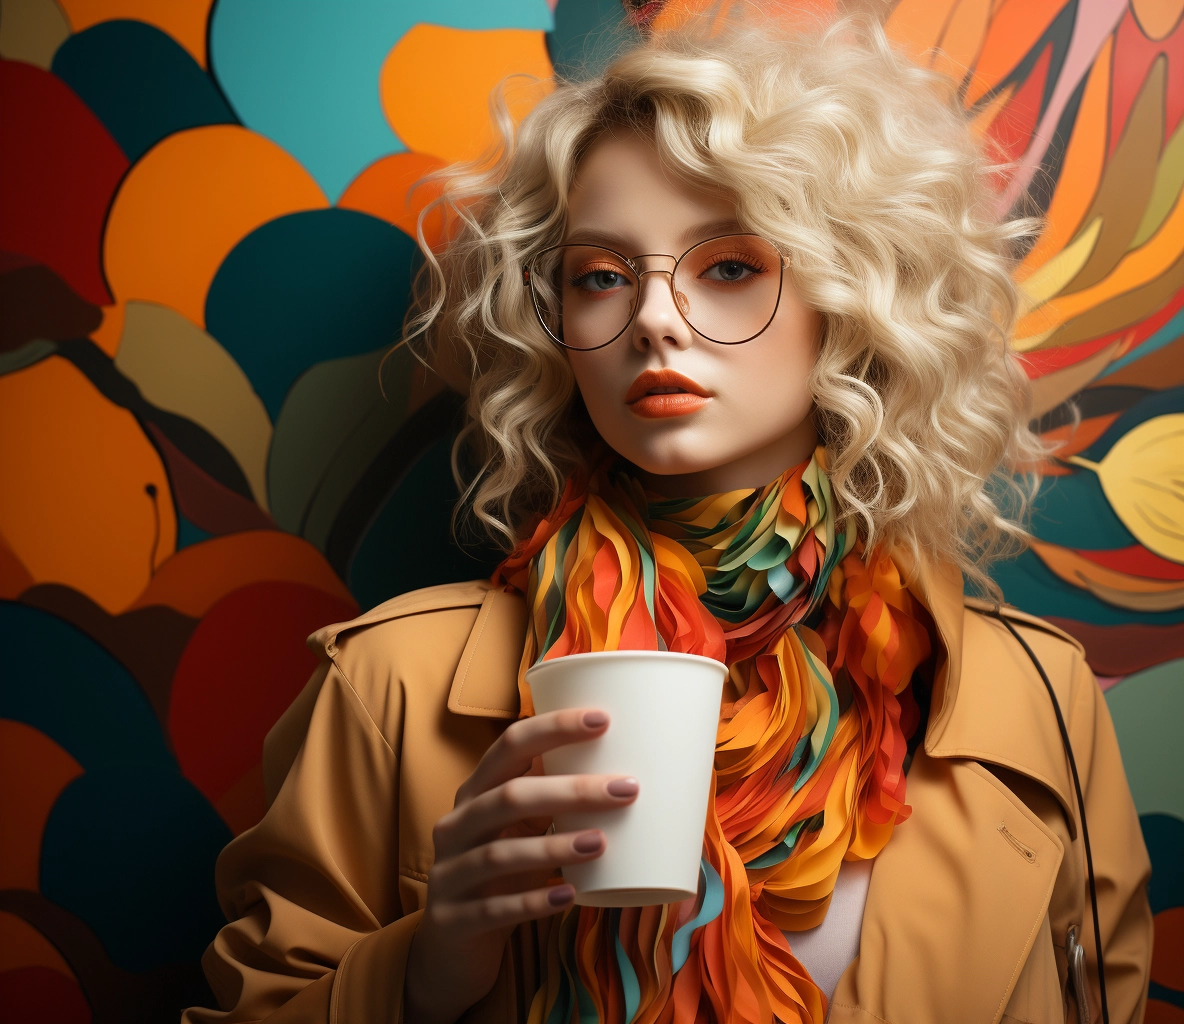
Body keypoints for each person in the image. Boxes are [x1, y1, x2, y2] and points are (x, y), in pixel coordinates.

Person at [183, 10, 1153, 1024]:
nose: (649, 316)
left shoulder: (1035, 699)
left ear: (848, 303)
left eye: (728, 266)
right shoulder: (389, 687)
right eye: (600, 276)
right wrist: (427, 964)